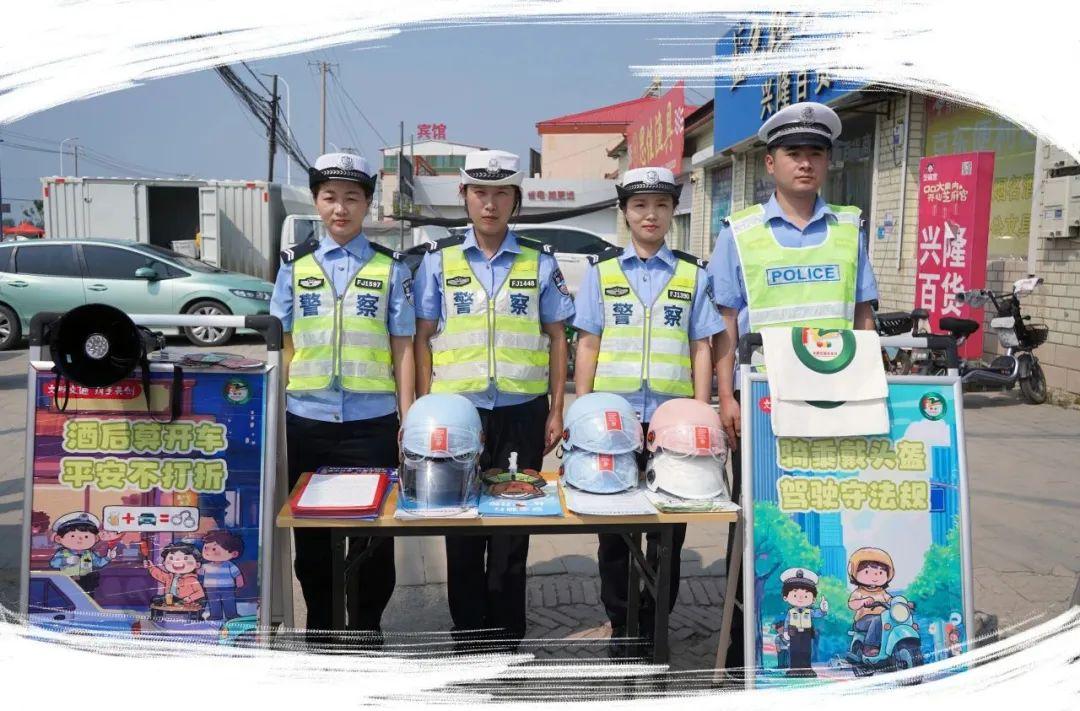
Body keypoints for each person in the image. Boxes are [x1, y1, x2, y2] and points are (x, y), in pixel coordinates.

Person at [707, 102, 880, 671]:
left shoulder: (849, 228)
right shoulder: (740, 233)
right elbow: (724, 324)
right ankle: (747, 654)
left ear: (828, 162)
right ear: (770, 163)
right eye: (793, 153)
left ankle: (830, 645)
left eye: (816, 153)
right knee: (758, 522)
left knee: (831, 514)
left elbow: (863, 317)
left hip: (838, 403)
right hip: (763, 404)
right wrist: (726, 398)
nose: (805, 163)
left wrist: (875, 390)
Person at [413, 149, 574, 651]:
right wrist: (421, 411)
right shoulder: (438, 261)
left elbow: (558, 337)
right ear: (463, 196)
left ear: (515, 200)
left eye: (501, 193)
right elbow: (422, 338)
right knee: (459, 524)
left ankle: (506, 638)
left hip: (522, 411)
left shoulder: (539, 261)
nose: (490, 204)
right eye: (480, 192)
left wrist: (556, 408)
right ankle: (468, 635)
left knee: (514, 525)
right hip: (456, 413)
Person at [573, 166, 723, 658]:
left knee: (669, 529)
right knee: (613, 529)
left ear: (673, 211)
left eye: (661, 205)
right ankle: (622, 622)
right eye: (639, 205)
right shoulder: (602, 273)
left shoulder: (692, 274)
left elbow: (701, 346)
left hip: (672, 421)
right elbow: (588, 343)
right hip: (612, 422)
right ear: (625, 212)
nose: (650, 215)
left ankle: (655, 623)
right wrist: (583, 409)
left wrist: (701, 411)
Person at [270, 151, 415, 646]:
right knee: (312, 541)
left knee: (373, 539)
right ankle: (323, 633)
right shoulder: (294, 266)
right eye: (330, 197)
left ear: (367, 205)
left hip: (371, 423)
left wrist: (407, 416)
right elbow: (283, 344)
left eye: (352, 198)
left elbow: (402, 346)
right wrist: (278, 411)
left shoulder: (389, 267)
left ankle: (366, 631)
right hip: (307, 421)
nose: (340, 208)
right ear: (316, 202)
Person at [779, 567, 829, 677]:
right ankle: (794, 669)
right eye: (795, 595)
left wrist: (823, 610)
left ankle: (807, 669)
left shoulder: (809, 611)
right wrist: (786, 632)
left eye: (806, 595)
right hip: (794, 633)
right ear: (785, 597)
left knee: (806, 651)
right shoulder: (791, 612)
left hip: (806, 633)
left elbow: (818, 614)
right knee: (794, 651)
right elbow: (787, 622)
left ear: (813, 599)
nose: (800, 598)